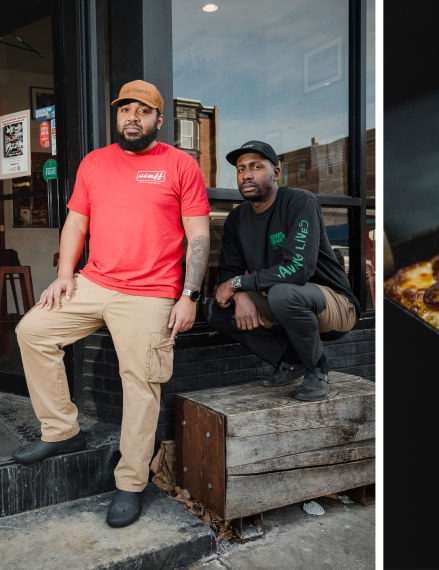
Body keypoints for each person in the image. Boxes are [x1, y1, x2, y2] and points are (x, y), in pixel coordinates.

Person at [12, 79, 210, 528]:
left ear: (159, 120)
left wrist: (190, 295)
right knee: (33, 332)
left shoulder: (180, 165)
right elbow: (75, 224)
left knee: (140, 381)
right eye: (125, 110)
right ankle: (62, 430)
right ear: (116, 117)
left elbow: (199, 234)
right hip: (94, 281)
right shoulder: (94, 163)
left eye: (143, 111)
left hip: (153, 291)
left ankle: (130, 482)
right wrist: (64, 276)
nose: (132, 118)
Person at [205, 140, 360, 401]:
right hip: (280, 302)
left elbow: (298, 270)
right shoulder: (237, 218)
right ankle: (290, 360)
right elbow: (226, 273)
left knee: (283, 293)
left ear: (276, 172)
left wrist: (241, 284)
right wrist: (239, 294)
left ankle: (317, 368)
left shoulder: (300, 202)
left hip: (334, 305)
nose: (247, 175)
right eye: (241, 169)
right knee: (215, 308)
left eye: (256, 166)